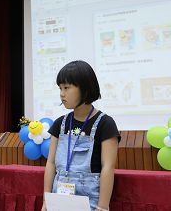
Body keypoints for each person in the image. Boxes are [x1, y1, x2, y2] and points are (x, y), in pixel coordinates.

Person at [42, 60, 119, 211]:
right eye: (60, 88)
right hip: (59, 199)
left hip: (91, 201)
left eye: (66, 88)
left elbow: (108, 167)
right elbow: (50, 163)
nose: (62, 94)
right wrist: (46, 200)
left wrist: (102, 206)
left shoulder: (105, 124)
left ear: (84, 88)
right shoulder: (59, 124)